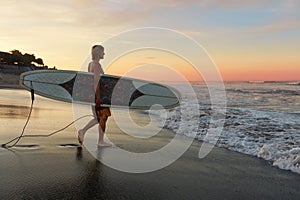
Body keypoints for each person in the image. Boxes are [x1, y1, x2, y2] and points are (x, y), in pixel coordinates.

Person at [77, 45, 112, 147]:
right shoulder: (97, 65)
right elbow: (96, 82)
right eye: (102, 52)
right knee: (103, 117)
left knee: (98, 118)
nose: (104, 54)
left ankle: (82, 131)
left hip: (93, 94)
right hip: (98, 94)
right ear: (98, 53)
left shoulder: (90, 64)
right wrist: (99, 97)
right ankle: (100, 141)